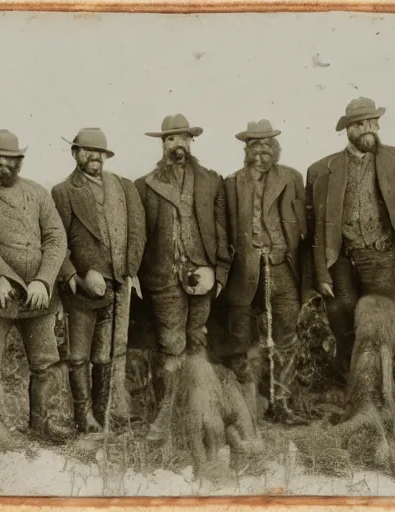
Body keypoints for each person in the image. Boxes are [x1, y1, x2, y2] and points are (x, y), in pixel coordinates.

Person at [0, 129, 75, 444]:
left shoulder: (38, 194)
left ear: (18, 161)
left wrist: (43, 280)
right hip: (0, 294)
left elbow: (56, 239)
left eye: (9, 159)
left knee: (45, 361)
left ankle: (41, 425)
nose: (2, 164)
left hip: (39, 296)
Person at [307, 97, 395, 378]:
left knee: (385, 316)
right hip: (342, 258)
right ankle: (354, 381)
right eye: (361, 124)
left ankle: (390, 378)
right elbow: (317, 228)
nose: (369, 129)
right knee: (342, 313)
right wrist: (322, 272)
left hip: (380, 254)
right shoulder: (324, 170)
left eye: (373, 122)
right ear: (347, 129)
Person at [135, 114, 232, 442]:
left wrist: (219, 273)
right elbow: (138, 235)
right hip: (163, 276)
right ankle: (167, 415)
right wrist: (134, 271)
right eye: (170, 139)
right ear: (162, 144)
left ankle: (201, 410)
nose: (177, 144)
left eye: (182, 138)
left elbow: (221, 230)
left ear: (191, 142)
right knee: (171, 344)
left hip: (201, 273)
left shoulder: (210, 181)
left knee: (198, 339)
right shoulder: (145, 184)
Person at [51, 128, 146, 432]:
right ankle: (83, 418)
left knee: (107, 353)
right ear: (75, 153)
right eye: (87, 151)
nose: (95, 157)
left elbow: (137, 232)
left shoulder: (123, 187)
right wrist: (75, 276)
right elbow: (56, 243)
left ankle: (103, 415)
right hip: (83, 290)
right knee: (79, 356)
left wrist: (129, 270)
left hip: (119, 285)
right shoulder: (63, 192)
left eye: (99, 152)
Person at [222, 120, 309, 426]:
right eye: (256, 147)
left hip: (282, 268)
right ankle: (246, 405)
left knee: (286, 332)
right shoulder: (232, 183)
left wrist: (285, 247)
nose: (262, 153)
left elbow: (303, 224)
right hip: (245, 271)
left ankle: (282, 402)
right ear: (247, 150)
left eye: (268, 147)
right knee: (242, 337)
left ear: (276, 149)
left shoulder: (291, 178)